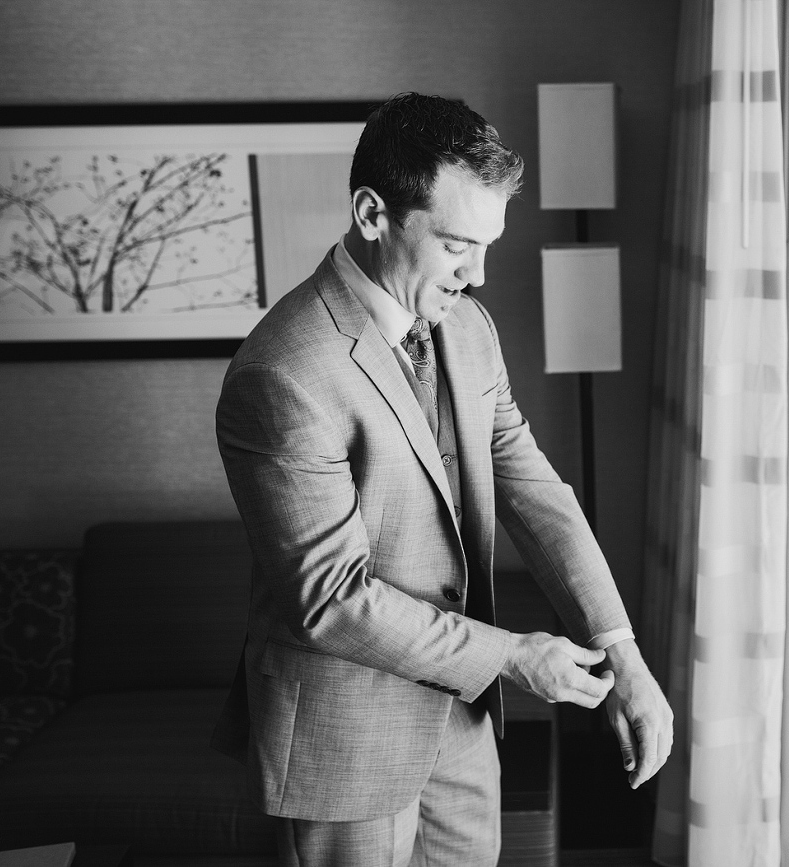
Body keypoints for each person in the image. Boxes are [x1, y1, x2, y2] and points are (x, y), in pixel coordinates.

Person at [211, 92, 672, 867]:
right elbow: (329, 599)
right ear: (371, 213)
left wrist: (621, 651)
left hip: (461, 728)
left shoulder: (468, 328)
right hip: (345, 737)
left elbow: (533, 487)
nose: (480, 273)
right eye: (458, 244)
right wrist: (512, 657)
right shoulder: (283, 372)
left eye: (488, 243)